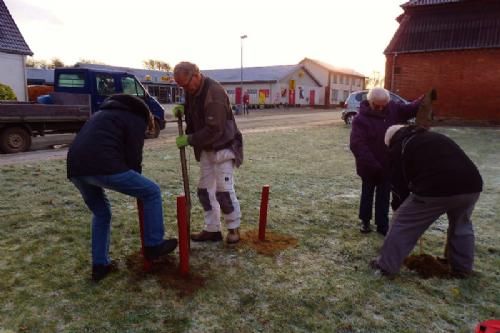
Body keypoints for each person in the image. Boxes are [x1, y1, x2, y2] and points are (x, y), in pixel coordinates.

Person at [67, 94, 177, 282]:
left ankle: (99, 266)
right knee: (151, 192)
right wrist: (137, 183)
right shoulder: (135, 118)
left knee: (101, 213)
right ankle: (154, 245)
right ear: (148, 116)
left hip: (76, 169)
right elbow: (134, 156)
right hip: (103, 165)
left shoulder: (102, 114)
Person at [370, 125, 483, 278]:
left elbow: (398, 185)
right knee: (462, 225)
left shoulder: (399, 146)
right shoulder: (432, 136)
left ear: (391, 140)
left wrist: (399, 207)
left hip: (436, 188)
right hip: (471, 185)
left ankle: (385, 267)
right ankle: (461, 269)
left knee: (402, 223)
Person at [173, 61, 243, 244]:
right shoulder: (192, 91)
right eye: (181, 87)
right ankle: (212, 230)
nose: (185, 89)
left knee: (223, 191)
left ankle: (234, 229)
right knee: (204, 191)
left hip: (223, 147)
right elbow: (195, 112)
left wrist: (189, 139)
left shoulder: (215, 93)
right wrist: (183, 108)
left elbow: (214, 129)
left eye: (186, 84)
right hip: (206, 149)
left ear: (196, 75)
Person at [349, 87, 423, 235]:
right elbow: (357, 145)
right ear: (370, 102)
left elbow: (409, 109)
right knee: (367, 193)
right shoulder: (360, 120)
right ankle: (365, 221)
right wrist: (373, 164)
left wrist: (423, 99)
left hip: (388, 165)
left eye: (384, 104)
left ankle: (382, 225)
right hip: (369, 165)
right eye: (378, 105)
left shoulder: (393, 109)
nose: (381, 108)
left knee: (383, 196)